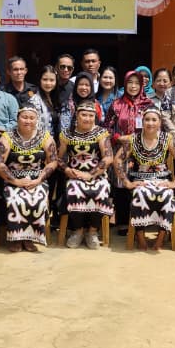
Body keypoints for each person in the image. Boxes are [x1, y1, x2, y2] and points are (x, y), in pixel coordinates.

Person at [116, 107, 175, 251]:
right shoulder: (133, 139)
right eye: (147, 119)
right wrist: (127, 182)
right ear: (142, 121)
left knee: (167, 195)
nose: (150, 123)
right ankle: (140, 237)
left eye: (154, 120)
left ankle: (160, 237)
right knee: (139, 194)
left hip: (162, 179)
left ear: (159, 123)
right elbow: (117, 160)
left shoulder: (167, 138)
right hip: (140, 179)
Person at [0, 106, 58, 251]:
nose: (28, 121)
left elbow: (53, 161)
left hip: (37, 179)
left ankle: (30, 238)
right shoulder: (8, 136)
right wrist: (16, 182)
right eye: (24, 117)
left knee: (38, 199)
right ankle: (16, 238)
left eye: (31, 118)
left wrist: (39, 180)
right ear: (17, 119)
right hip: (12, 179)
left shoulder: (45, 136)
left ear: (37, 120)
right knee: (15, 200)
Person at [59, 100, 115, 249]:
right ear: (76, 115)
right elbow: (58, 158)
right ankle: (78, 230)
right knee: (74, 191)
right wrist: (66, 170)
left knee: (101, 191)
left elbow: (108, 157)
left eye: (91, 115)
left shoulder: (101, 133)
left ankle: (92, 231)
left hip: (97, 174)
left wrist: (91, 175)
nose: (87, 118)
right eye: (84, 114)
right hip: (75, 174)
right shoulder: (67, 133)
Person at [105, 70, 151, 231]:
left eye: (137, 83)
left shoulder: (148, 104)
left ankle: (140, 221)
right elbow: (107, 129)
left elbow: (156, 126)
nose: (133, 86)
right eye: (130, 82)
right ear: (125, 84)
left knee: (142, 182)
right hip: (122, 149)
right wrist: (118, 137)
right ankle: (123, 221)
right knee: (122, 184)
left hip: (144, 149)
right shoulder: (117, 104)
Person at [37, 65, 61, 134]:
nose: (48, 83)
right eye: (45, 79)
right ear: (40, 80)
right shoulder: (35, 100)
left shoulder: (55, 97)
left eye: (52, 80)